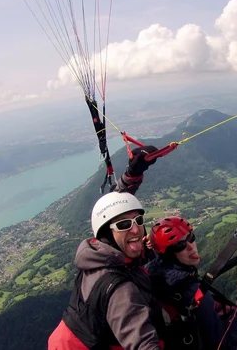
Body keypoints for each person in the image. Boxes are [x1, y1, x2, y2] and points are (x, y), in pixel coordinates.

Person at [48, 145, 167, 350]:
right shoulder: (121, 290)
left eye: (138, 220)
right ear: (107, 235)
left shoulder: (99, 254)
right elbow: (143, 344)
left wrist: (133, 174)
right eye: (124, 225)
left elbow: (113, 206)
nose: (136, 229)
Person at [145, 216, 237, 350]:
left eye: (190, 237)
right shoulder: (194, 294)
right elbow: (223, 346)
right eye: (180, 245)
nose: (191, 247)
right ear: (169, 255)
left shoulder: (148, 271)